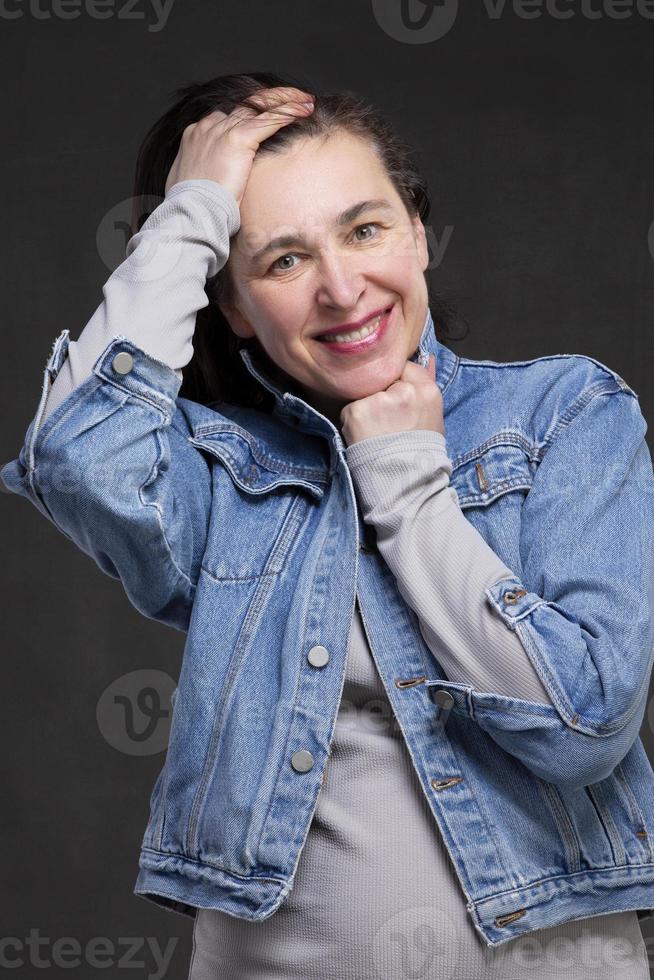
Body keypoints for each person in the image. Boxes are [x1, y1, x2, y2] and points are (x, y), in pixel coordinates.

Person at [3, 71, 654, 979]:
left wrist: (408, 487)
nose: (344, 289)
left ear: (418, 232)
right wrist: (189, 213)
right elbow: (76, 457)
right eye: (283, 260)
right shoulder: (221, 471)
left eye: (365, 228)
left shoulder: (562, 413)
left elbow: (582, 725)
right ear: (230, 306)